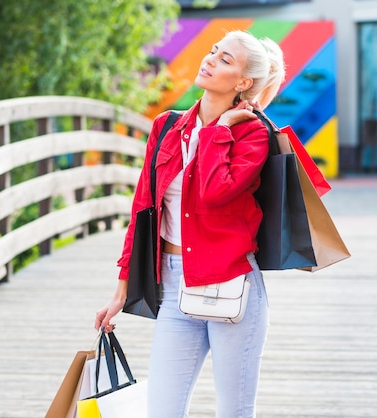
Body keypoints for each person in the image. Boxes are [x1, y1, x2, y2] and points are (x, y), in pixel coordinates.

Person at [95, 30, 286, 417]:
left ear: (244, 83)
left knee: (234, 411)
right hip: (174, 284)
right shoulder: (166, 127)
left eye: (225, 60)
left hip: (232, 284)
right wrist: (121, 288)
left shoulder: (254, 134)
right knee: (162, 411)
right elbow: (143, 210)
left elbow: (215, 193)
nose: (210, 59)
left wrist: (217, 132)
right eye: (214, 51)